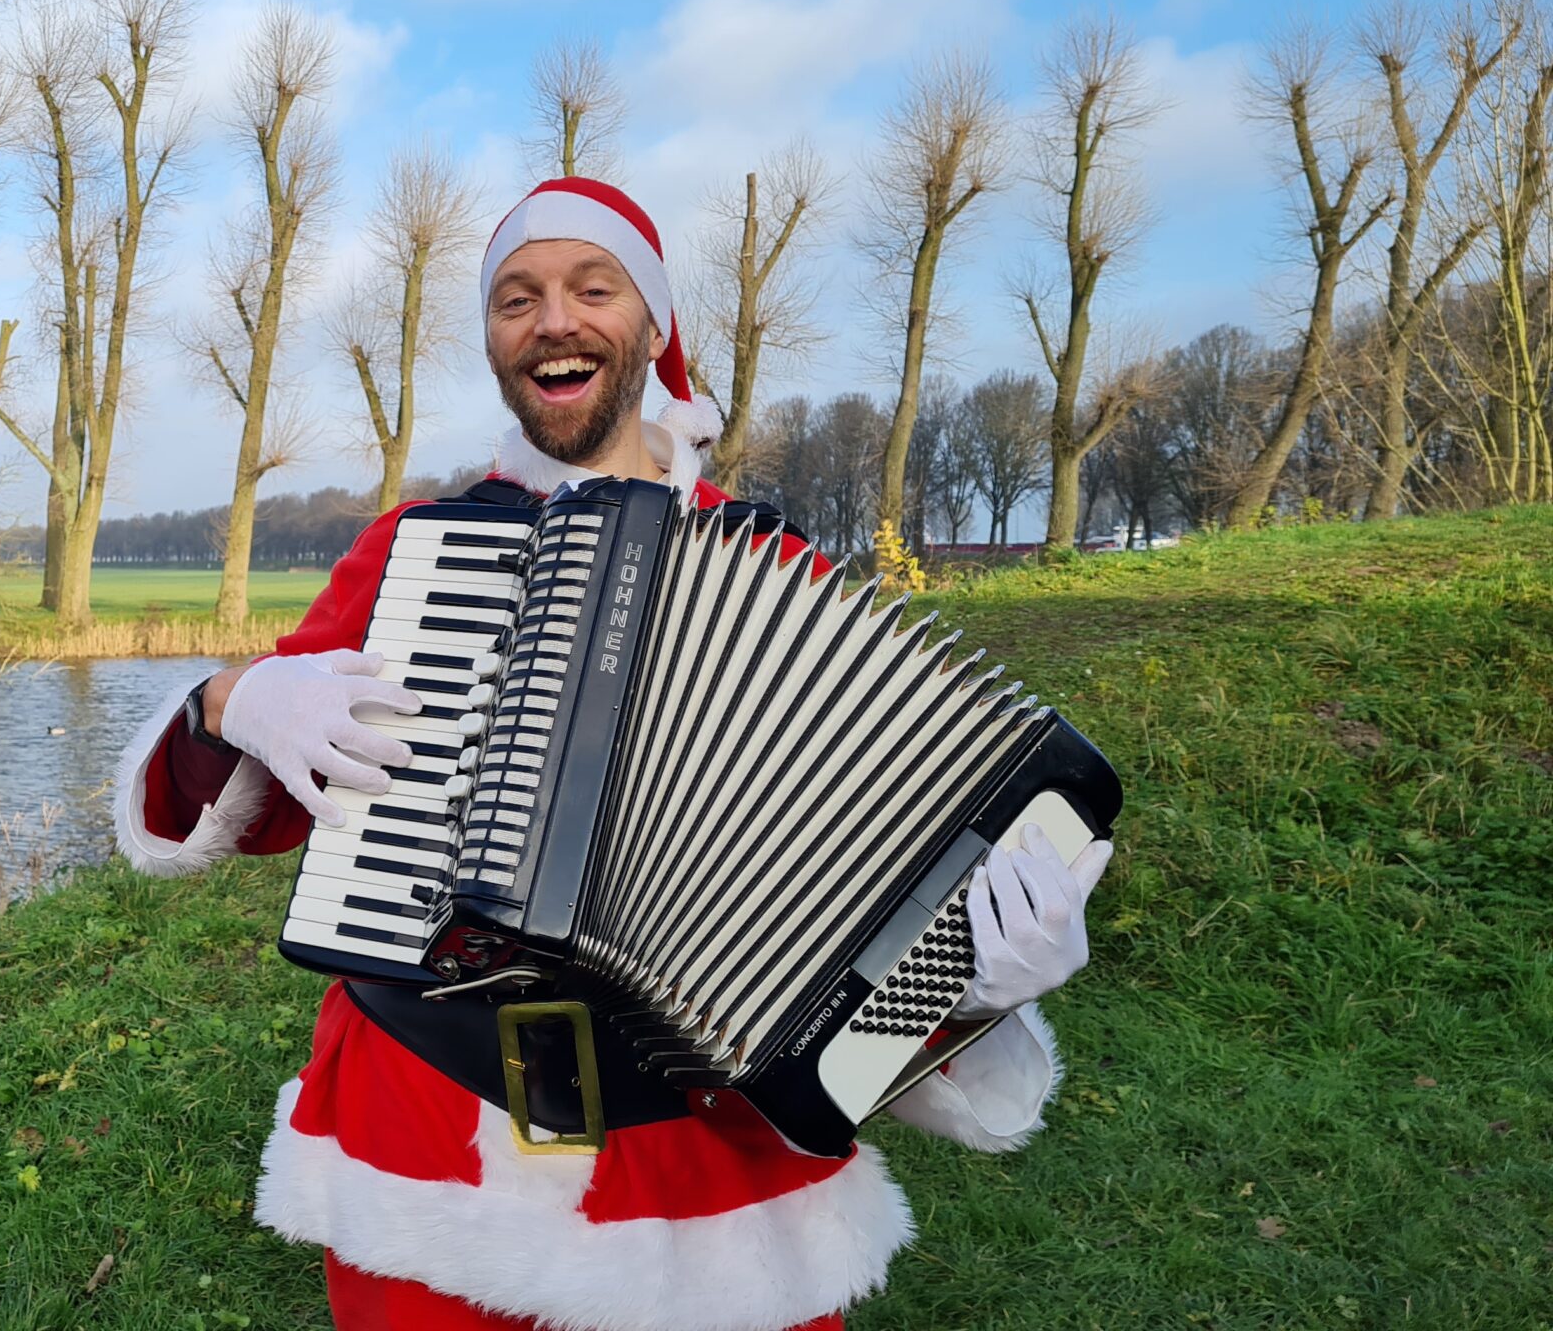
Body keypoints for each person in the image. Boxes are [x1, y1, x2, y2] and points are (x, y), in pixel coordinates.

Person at [110, 177, 1116, 1331]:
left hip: (709, 1157)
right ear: (493, 339)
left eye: (593, 288)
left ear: (651, 328)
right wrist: (227, 701)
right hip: (434, 1124)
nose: (552, 321)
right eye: (515, 298)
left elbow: (866, 874)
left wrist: (973, 975)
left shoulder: (770, 566)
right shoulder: (414, 555)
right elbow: (243, 812)